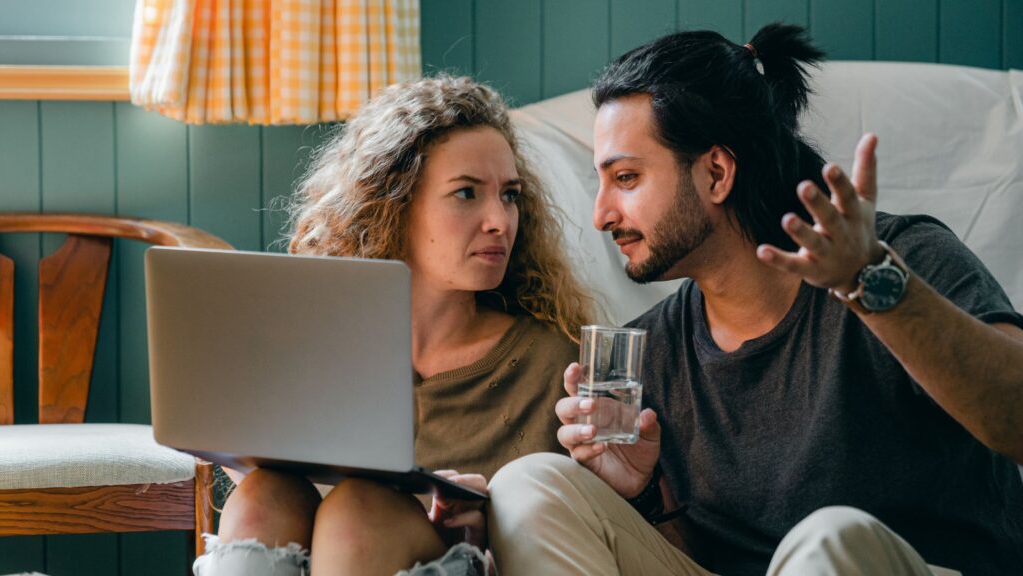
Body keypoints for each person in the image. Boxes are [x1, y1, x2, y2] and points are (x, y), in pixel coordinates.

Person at [486, 23, 1023, 576]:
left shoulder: (899, 263)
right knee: (528, 486)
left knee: (828, 540)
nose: (602, 214)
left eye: (626, 177)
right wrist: (648, 495)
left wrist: (875, 287)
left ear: (716, 172)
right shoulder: (654, 353)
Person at [192, 75, 594, 576]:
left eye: (510, 195)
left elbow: (573, 530)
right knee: (261, 495)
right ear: (394, 205)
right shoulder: (317, 345)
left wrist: (473, 526)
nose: (500, 220)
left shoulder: (555, 361)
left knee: (358, 510)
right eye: (467, 193)